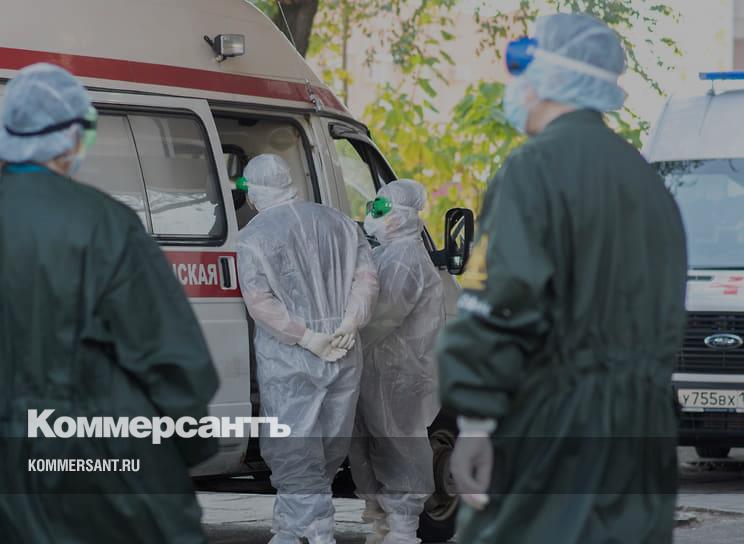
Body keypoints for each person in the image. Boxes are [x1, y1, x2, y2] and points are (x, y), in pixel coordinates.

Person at [0, 63, 219, 543]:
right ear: (68, 137)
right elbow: (172, 359)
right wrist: (188, 447)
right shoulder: (104, 223)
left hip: (3, 471)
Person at [437, 14, 687, 544]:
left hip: (554, 432)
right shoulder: (648, 184)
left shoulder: (534, 170)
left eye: (521, 66)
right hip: (644, 438)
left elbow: (501, 303)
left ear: (547, 74)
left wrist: (477, 422)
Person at [235, 154, 379, 544]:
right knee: (329, 446)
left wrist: (306, 337)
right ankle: (289, 529)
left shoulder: (254, 235)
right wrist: (348, 323)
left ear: (255, 191)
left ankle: (318, 532)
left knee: (294, 449)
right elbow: (367, 279)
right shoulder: (340, 222)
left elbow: (260, 301)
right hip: (343, 349)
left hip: (291, 358)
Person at [349, 180, 445, 544]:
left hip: (398, 375)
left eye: (380, 209)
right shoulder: (387, 254)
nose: (371, 216)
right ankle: (387, 526)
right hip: (380, 371)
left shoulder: (405, 258)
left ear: (403, 215)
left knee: (398, 447)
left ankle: (403, 532)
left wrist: (340, 339)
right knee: (376, 447)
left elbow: (381, 316)